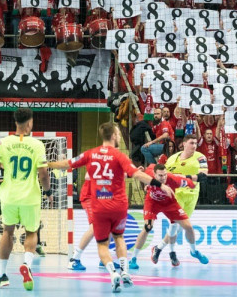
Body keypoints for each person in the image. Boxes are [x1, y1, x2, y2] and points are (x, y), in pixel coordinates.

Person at [48, 122, 160, 293]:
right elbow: (95, 175)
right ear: (113, 135)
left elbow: (109, 174)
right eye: (118, 133)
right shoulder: (107, 155)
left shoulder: (98, 155)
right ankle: (75, 259)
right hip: (91, 196)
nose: (120, 136)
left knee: (105, 232)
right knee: (99, 228)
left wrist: (48, 164)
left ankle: (105, 261)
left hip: (103, 199)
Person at [0, 107, 51, 291]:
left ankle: (2, 275)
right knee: (31, 232)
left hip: (9, 196)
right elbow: (43, 175)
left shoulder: (3, 143)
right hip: (30, 197)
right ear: (29, 123)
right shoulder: (37, 145)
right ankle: (26, 264)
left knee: (7, 232)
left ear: (15, 122)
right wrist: (48, 192)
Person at [129, 164, 208, 270]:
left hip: (170, 203)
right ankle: (133, 259)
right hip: (152, 203)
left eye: (165, 175)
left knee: (188, 227)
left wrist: (196, 180)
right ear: (154, 174)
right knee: (148, 227)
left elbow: (188, 181)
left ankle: (194, 251)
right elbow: (140, 173)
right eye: (160, 175)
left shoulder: (173, 179)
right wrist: (141, 171)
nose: (163, 178)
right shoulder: (149, 172)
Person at [152, 134, 208, 263]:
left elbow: (204, 176)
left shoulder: (200, 157)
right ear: (184, 144)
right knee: (176, 224)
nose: (194, 146)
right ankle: (186, 252)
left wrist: (183, 177)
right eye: (191, 143)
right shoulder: (172, 159)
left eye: (195, 143)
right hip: (176, 195)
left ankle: (158, 248)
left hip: (192, 195)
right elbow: (163, 176)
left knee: (178, 227)